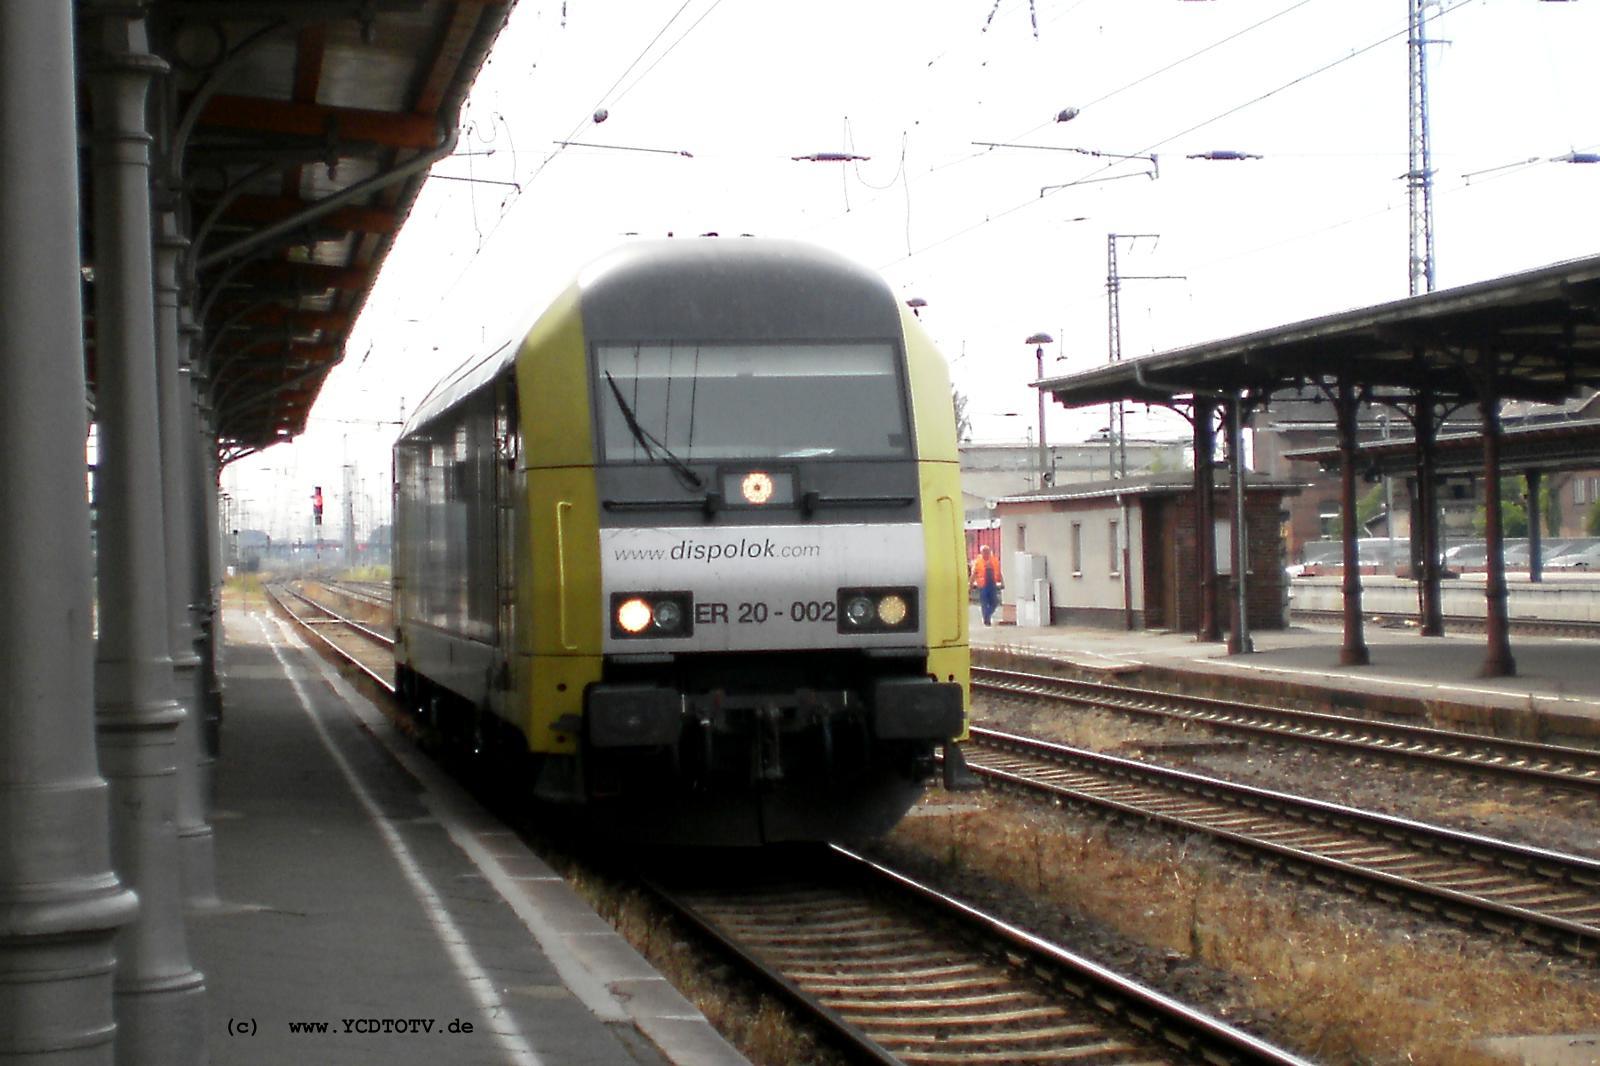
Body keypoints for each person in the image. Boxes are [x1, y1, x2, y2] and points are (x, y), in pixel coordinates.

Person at [970, 544, 1003, 626]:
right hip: (983, 585)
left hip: (992, 584)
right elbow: (973, 574)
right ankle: (986, 620)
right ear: (981, 553)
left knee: (994, 602)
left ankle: (987, 615)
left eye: (987, 551)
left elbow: (999, 572)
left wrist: (1002, 582)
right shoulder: (978, 562)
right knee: (984, 603)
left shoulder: (994, 560)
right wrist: (970, 585)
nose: (986, 553)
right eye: (984, 552)